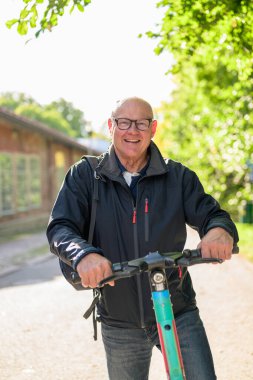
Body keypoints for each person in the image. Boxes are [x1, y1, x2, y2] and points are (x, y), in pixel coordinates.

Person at [47, 96, 239, 380]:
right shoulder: (85, 176)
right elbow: (61, 227)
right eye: (124, 122)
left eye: (141, 123)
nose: (132, 130)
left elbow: (214, 215)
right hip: (118, 318)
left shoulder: (178, 177)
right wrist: (83, 255)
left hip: (178, 311)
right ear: (111, 126)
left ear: (153, 128)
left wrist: (219, 231)